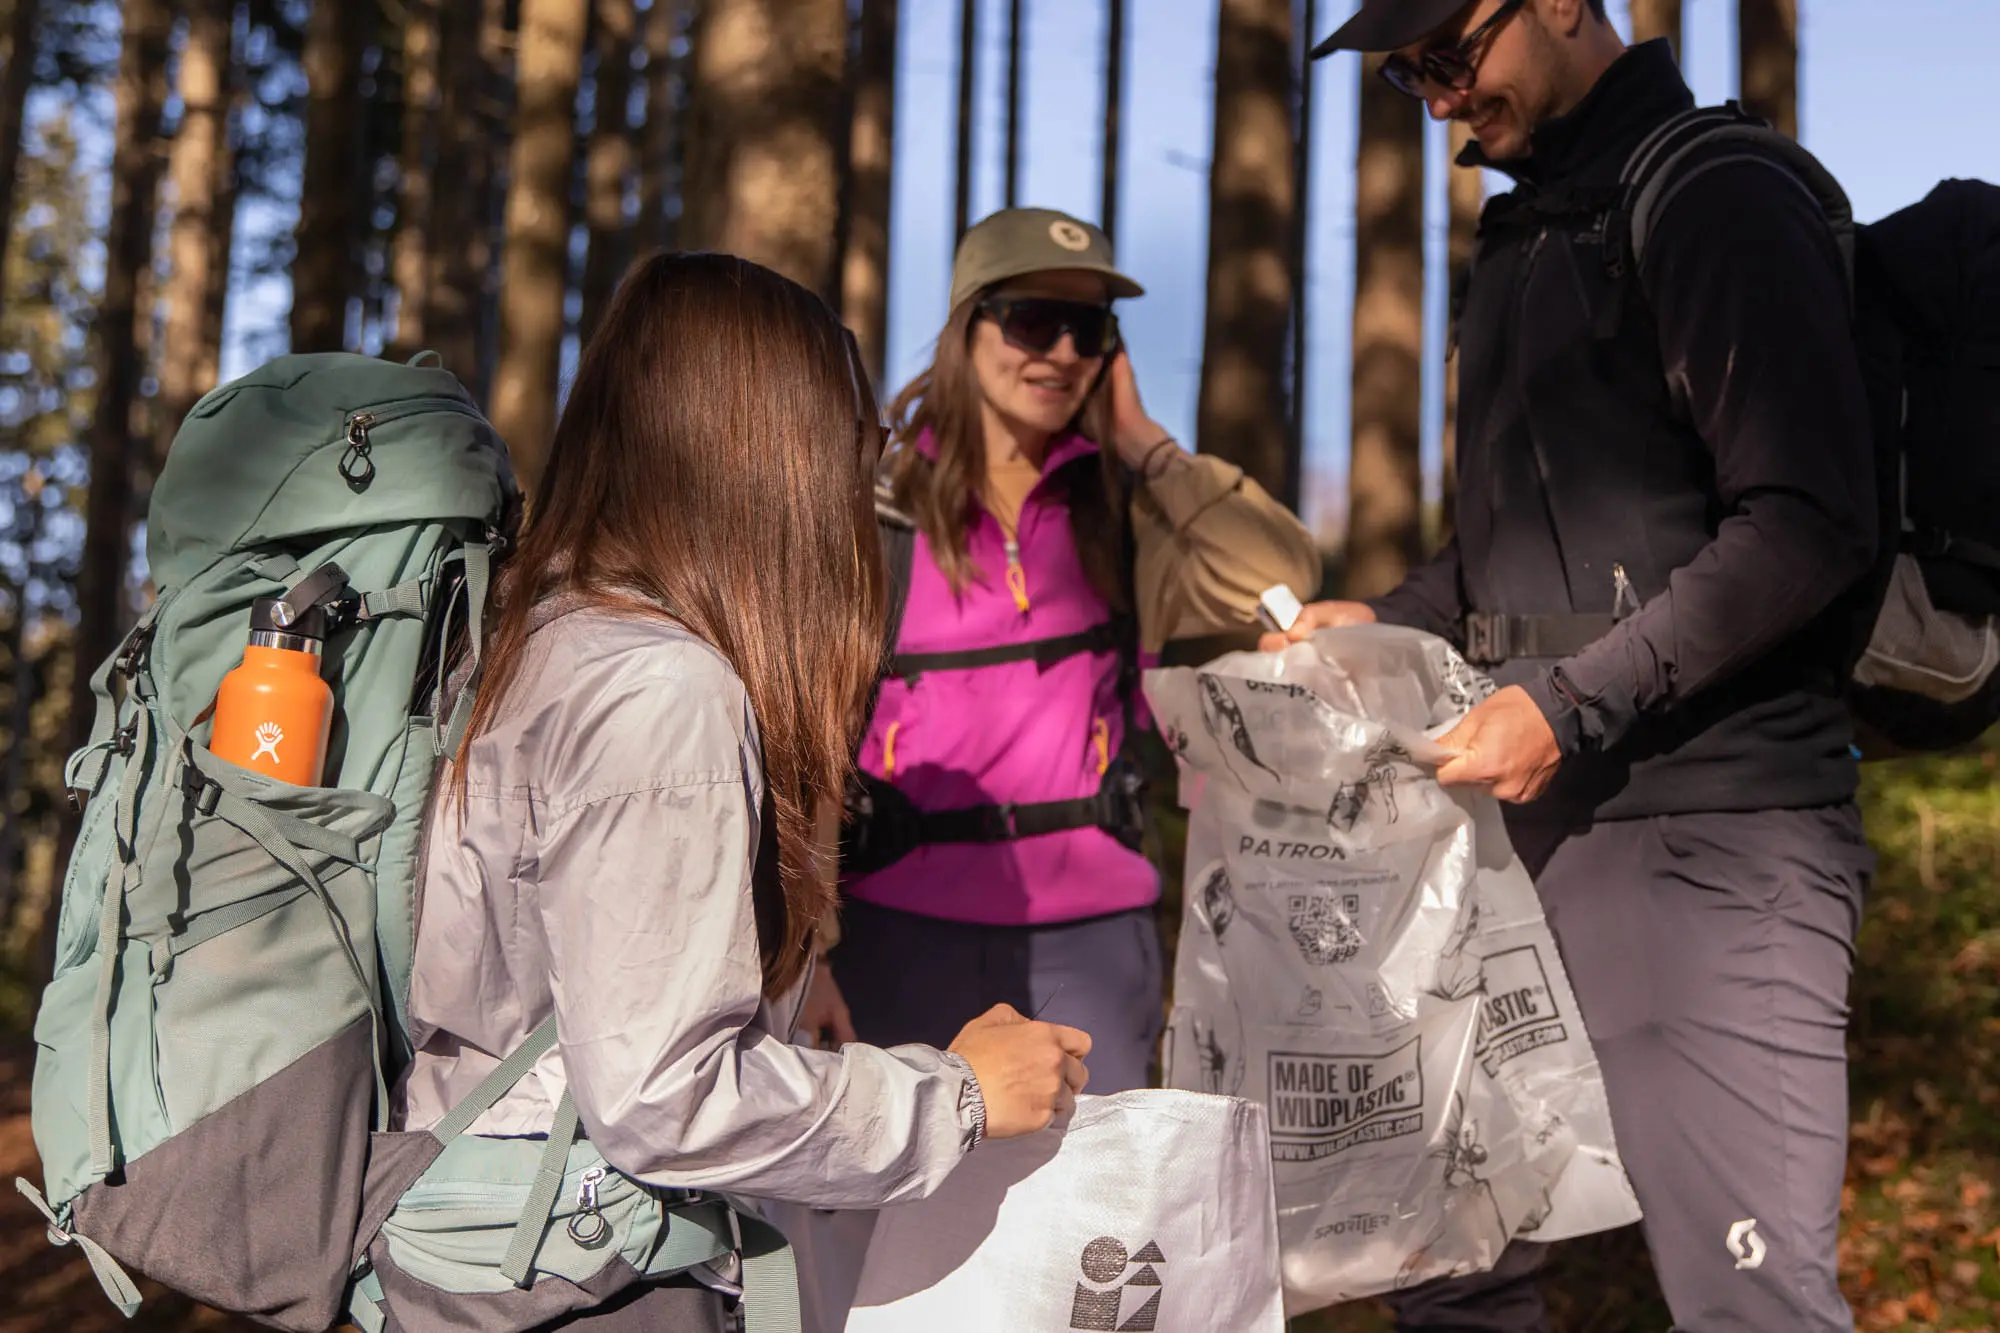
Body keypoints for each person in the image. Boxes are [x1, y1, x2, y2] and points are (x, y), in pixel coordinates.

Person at [1275, 3, 1880, 1330]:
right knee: (1448, 1265)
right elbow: (1507, 564)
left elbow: (1808, 521)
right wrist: (1375, 619)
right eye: (1404, 71)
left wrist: (1566, 704)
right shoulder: (1526, 237)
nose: (1435, 98)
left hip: (1714, 845)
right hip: (1517, 844)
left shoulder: (1716, 196)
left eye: (1448, 53)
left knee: (1750, 1300)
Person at [395, 252, 1093, 1330]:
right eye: (855, 445)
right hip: (589, 1273)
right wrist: (955, 1094)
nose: (860, 484)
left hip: (479, 1236)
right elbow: (665, 1097)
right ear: (775, 454)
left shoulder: (541, 632)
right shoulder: (661, 688)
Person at [816, 208, 1321, 1094]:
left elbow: (1280, 571)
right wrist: (810, 946)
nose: (1058, 352)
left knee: (1090, 1227)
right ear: (966, 325)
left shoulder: (1126, 508)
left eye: (1087, 328)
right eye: (1029, 319)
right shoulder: (874, 507)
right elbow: (805, 734)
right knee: (893, 1225)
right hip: (894, 930)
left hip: (1090, 939)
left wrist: (1144, 444)